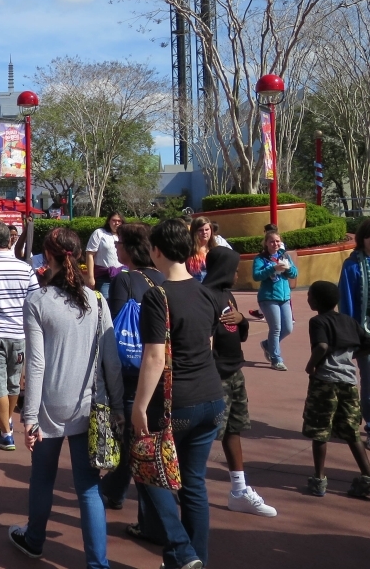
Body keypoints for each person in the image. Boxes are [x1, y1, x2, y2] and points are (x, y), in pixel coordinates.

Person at [8, 228, 123, 568]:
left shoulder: (38, 301)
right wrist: (116, 405)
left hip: (49, 405)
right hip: (89, 403)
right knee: (88, 489)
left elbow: (37, 363)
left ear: (49, 256)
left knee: (42, 478)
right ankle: (97, 564)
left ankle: (34, 539)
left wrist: (29, 416)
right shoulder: (97, 300)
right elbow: (111, 359)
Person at [134, 219, 225, 569]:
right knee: (194, 484)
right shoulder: (206, 293)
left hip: (177, 401)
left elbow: (155, 356)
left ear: (156, 251)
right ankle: (189, 557)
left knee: (149, 470)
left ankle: (182, 550)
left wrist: (140, 405)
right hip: (211, 396)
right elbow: (209, 343)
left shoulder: (157, 295)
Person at [99, 222, 165, 541]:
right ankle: (114, 489)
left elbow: (112, 323)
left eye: (120, 243)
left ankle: (146, 514)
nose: (117, 248)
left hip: (131, 371)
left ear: (130, 247)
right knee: (143, 438)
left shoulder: (125, 280)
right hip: (161, 371)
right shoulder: (165, 279)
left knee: (133, 438)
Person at [203, 247, 276, 516]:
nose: (237, 274)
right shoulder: (205, 296)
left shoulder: (227, 295)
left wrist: (242, 318)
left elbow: (240, 333)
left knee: (233, 429)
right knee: (206, 433)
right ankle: (186, 485)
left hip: (235, 372)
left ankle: (239, 489)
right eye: (234, 269)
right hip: (215, 376)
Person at [302, 280, 370, 498]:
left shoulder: (318, 322)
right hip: (348, 382)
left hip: (325, 382)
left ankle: (319, 479)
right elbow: (367, 342)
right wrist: (352, 356)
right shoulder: (349, 321)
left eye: (309, 295)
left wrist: (311, 365)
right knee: (351, 431)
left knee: (320, 430)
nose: (307, 298)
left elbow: (321, 346)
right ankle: (368, 477)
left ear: (317, 301)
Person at [0, 221, 39, 451]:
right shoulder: (25, 268)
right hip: (19, 334)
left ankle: (6, 432)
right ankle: (7, 423)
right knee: (13, 383)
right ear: (10, 240)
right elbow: (34, 302)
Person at [338, 217, 370, 448]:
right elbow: (347, 303)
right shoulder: (352, 266)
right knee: (369, 381)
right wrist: (352, 336)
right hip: (365, 332)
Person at [253, 228, 298, 371]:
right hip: (268, 298)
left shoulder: (284, 256)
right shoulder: (260, 259)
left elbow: (295, 273)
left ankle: (268, 345)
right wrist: (273, 268)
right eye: (272, 241)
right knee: (276, 328)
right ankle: (276, 359)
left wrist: (287, 269)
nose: (275, 244)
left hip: (284, 297)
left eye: (277, 241)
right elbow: (256, 275)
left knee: (288, 328)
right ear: (266, 243)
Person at [85, 212, 123, 298]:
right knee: (105, 302)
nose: (116, 223)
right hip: (103, 277)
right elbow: (90, 254)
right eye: (114, 220)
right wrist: (91, 277)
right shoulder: (99, 233)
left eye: (119, 221)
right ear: (109, 221)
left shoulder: (124, 235)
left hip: (121, 277)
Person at [186, 216, 217, 282]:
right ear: (194, 232)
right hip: (194, 288)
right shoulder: (188, 251)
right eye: (200, 230)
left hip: (211, 289)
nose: (204, 232)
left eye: (207, 229)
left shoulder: (216, 250)